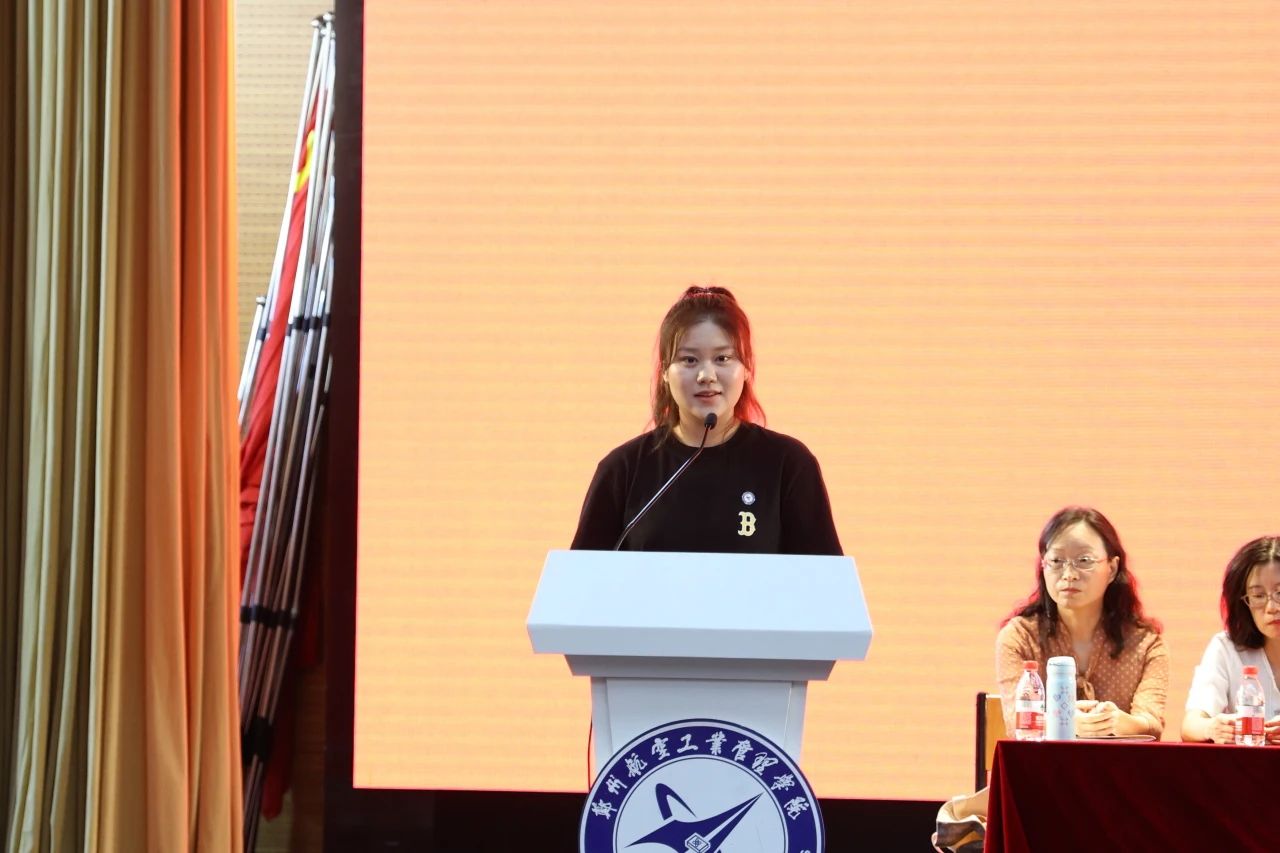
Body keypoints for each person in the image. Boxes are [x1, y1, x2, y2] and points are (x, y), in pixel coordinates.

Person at [934, 507, 1168, 852]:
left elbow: (1152, 722)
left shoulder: (1146, 642)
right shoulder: (1019, 637)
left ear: (1112, 567)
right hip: (1039, 794)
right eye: (1056, 561)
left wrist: (1116, 723)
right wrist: (1069, 723)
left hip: (1119, 797)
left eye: (1083, 561)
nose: (1068, 574)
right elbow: (1018, 723)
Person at [570, 285, 841, 555]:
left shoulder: (788, 464)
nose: (707, 376)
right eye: (689, 360)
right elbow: (580, 577)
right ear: (664, 372)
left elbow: (825, 577)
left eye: (723, 358)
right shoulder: (622, 469)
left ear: (746, 368)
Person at [1181, 536, 1280, 744]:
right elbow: (1191, 725)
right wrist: (1211, 727)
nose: (1272, 607)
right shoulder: (1226, 648)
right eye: (1258, 596)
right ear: (1244, 602)